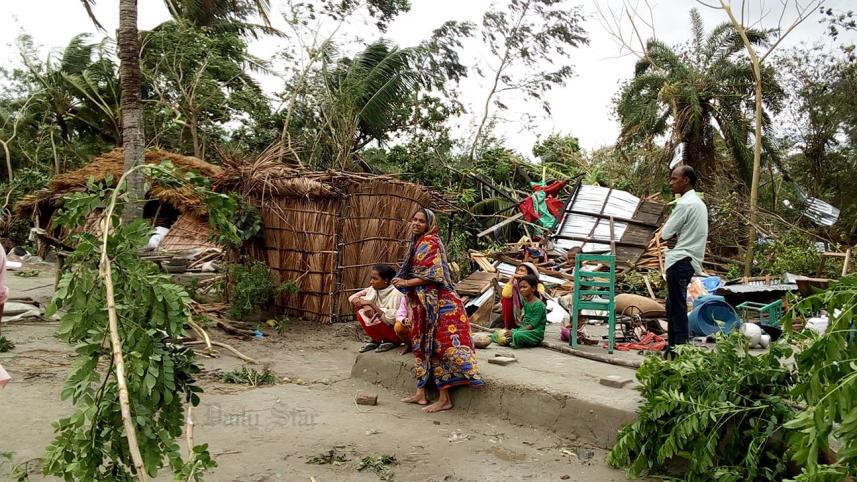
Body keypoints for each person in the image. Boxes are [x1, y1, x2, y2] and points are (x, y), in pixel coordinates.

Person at [393, 208, 483, 413]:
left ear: (429, 224)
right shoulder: (416, 243)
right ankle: (421, 393)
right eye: (414, 219)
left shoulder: (430, 242)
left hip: (442, 305)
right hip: (423, 304)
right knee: (421, 344)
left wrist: (406, 282)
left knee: (438, 346)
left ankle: (445, 399)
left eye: (421, 221)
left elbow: (434, 275)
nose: (416, 223)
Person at [661, 165, 708, 355]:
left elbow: (665, 233)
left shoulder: (684, 204)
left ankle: (679, 349)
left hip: (679, 260)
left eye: (674, 178)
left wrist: (672, 236)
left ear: (686, 180)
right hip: (690, 260)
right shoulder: (699, 204)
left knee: (677, 307)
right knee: (673, 305)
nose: (671, 182)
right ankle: (672, 347)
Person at [349, 264, 405, 353]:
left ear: (386, 280)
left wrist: (371, 304)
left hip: (395, 332)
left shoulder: (397, 294)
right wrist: (366, 305)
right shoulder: (373, 289)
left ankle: (391, 341)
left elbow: (392, 320)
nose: (371, 282)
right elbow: (352, 297)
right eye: (371, 278)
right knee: (362, 311)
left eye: (375, 279)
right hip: (383, 324)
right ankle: (376, 340)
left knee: (371, 315)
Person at [491, 275, 547, 348]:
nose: (522, 289)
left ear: (533, 288)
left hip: (534, 333)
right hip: (523, 328)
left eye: (525, 287)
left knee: (517, 335)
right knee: (496, 334)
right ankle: (510, 339)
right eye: (520, 287)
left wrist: (516, 332)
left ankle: (512, 339)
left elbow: (533, 325)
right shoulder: (525, 300)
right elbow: (506, 295)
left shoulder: (539, 305)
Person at [500, 263, 545, 329]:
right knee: (506, 300)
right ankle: (508, 327)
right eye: (518, 270)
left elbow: (538, 299)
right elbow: (505, 295)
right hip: (518, 311)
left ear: (530, 274)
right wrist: (512, 279)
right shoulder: (515, 284)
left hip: (531, 313)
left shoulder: (537, 285)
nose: (518, 272)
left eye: (522, 271)